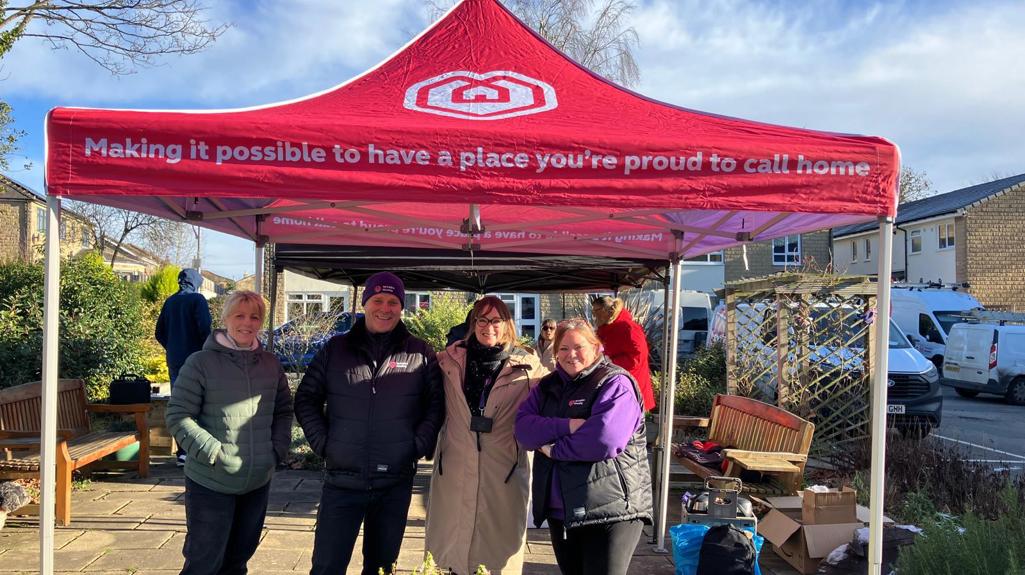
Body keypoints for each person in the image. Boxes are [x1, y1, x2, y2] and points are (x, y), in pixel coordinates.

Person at [294, 272, 445, 575]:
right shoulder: (335, 349)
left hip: (394, 481)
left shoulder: (419, 352)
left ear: (401, 307)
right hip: (342, 480)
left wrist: (415, 447)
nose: (385, 308)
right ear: (365, 303)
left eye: (393, 301)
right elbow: (306, 399)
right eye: (378, 300)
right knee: (326, 567)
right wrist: (325, 444)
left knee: (381, 569)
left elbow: (436, 406)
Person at [165, 290, 293, 575]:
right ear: (224, 319)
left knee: (237, 563)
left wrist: (276, 449)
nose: (247, 323)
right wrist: (212, 451)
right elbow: (177, 415)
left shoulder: (271, 365)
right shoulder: (200, 363)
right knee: (203, 563)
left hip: (257, 480)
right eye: (239, 315)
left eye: (254, 317)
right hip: (211, 481)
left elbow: (283, 411)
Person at [514, 319, 653, 575]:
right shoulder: (548, 386)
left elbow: (604, 440)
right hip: (562, 510)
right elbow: (523, 430)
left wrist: (554, 449)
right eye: (563, 349)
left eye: (579, 346)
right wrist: (568, 426)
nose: (571, 355)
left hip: (610, 510)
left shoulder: (615, 384)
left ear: (596, 347)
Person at [425, 296, 547, 575]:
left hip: (502, 471)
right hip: (454, 467)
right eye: (482, 319)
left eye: (496, 320)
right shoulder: (448, 362)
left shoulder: (529, 368)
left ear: (507, 324)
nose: (488, 326)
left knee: (495, 556)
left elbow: (559, 396)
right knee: (451, 552)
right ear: (473, 324)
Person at [156, 268, 213, 466]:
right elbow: (205, 328)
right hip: (197, 360)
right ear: (196, 282)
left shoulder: (170, 302)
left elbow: (159, 332)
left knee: (180, 404)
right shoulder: (197, 300)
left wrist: (172, 347)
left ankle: (182, 453)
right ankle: (199, 450)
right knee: (201, 404)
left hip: (175, 360)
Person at [591, 296, 655, 411]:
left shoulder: (628, 327)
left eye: (596, 311)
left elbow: (637, 357)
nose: (594, 315)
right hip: (616, 382)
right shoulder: (607, 328)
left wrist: (609, 362)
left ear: (606, 310)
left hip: (630, 386)